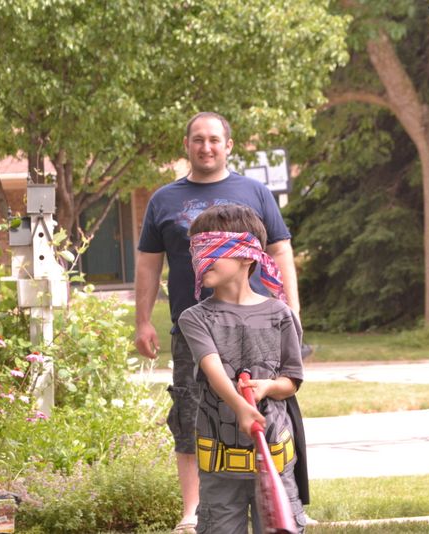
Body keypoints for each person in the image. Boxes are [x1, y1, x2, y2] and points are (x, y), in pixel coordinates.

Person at [134, 112, 300, 533]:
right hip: (193, 326)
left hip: (257, 325)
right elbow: (149, 263)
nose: (205, 146)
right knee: (193, 412)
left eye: (213, 139)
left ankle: (278, 498)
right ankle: (195, 509)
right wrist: (143, 321)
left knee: (272, 411)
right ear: (186, 145)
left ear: (228, 145)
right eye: (197, 139)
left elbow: (280, 250)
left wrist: (292, 309)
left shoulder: (255, 192)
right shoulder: (163, 200)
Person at [177, 203, 306, 533]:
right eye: (196, 251)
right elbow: (213, 369)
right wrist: (240, 406)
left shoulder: (281, 315)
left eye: (211, 249)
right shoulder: (195, 318)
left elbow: (291, 380)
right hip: (220, 465)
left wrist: (268, 387)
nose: (200, 259)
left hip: (275, 457)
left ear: (248, 256)